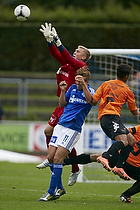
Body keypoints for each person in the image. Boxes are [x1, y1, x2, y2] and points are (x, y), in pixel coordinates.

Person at [36, 22, 91, 186]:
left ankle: (52, 161)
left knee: (52, 133)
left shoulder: (80, 66)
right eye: (75, 50)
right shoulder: (67, 64)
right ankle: (70, 167)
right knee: (50, 133)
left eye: (78, 51)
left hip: (70, 106)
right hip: (62, 103)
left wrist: (57, 40)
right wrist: (49, 41)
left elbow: (66, 55)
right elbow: (56, 55)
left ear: (83, 57)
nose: (75, 51)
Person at [38, 67, 95, 201]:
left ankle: (51, 191)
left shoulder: (90, 91)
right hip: (60, 126)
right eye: (76, 80)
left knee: (58, 158)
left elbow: (91, 101)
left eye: (80, 81)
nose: (77, 83)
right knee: (51, 157)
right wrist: (63, 91)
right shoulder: (72, 89)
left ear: (86, 81)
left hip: (72, 129)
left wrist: (84, 86)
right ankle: (60, 188)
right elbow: (62, 104)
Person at [83, 63, 140, 180]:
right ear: (126, 77)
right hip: (111, 117)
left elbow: (93, 101)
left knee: (131, 140)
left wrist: (84, 85)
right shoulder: (127, 90)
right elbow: (133, 111)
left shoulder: (106, 84)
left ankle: (119, 166)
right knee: (123, 141)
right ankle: (105, 157)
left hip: (107, 118)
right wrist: (138, 111)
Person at [63, 124, 140, 203]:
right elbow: (126, 132)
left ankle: (64, 162)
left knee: (94, 157)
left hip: (121, 157)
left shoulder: (138, 128)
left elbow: (126, 132)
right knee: (95, 157)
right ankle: (126, 195)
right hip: (129, 163)